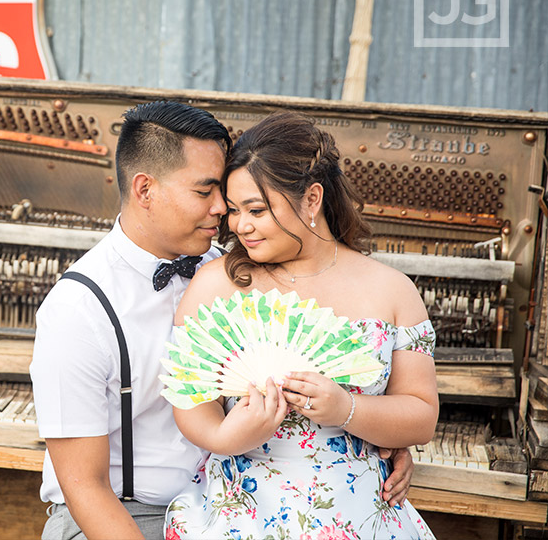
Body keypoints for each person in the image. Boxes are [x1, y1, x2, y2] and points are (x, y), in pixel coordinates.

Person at [30, 101, 414, 540]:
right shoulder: (77, 311)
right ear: (144, 190)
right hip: (129, 515)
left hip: (228, 503)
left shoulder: (230, 273)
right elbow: (84, 487)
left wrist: (377, 441)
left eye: (227, 198)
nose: (223, 212)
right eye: (204, 191)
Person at [163, 111, 438, 540]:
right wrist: (225, 436)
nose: (240, 226)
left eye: (256, 209)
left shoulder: (393, 290)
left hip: (358, 515)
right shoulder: (216, 284)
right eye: (234, 211)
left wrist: (346, 408)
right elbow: (189, 398)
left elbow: (420, 415)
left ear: (312, 199)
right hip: (241, 510)